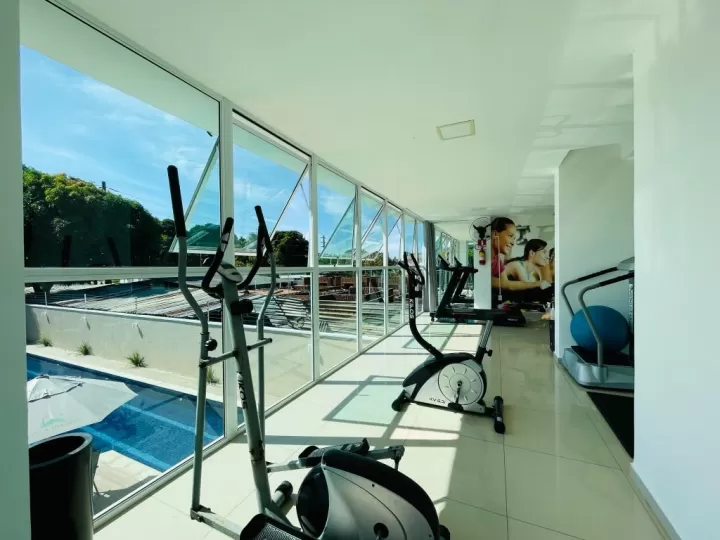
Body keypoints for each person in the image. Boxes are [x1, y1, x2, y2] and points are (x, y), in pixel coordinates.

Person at [490, 218, 550, 294]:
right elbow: (506, 285)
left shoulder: (498, 262)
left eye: (514, 238)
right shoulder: (517, 265)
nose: (513, 243)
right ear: (495, 234)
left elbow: (505, 283)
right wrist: (537, 284)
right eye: (510, 236)